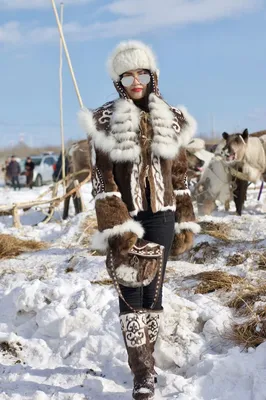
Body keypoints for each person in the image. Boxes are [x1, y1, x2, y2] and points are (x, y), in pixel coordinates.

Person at [78, 41, 200, 399]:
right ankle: (142, 371)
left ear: (152, 75)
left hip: (162, 215)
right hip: (126, 216)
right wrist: (116, 225)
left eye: (141, 72)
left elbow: (178, 175)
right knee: (131, 289)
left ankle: (148, 356)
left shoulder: (172, 118)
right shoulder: (104, 119)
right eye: (127, 74)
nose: (135, 80)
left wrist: (183, 216)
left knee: (153, 290)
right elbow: (103, 177)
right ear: (119, 80)